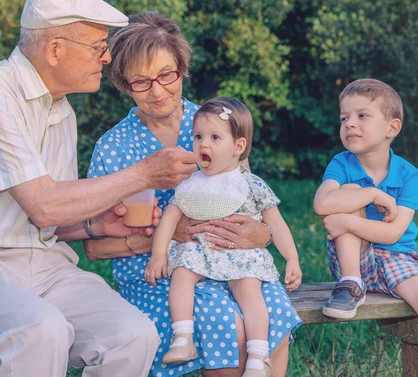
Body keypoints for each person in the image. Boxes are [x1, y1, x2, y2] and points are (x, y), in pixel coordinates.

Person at [0, 1, 200, 377]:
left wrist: (95, 227)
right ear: (54, 50)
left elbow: (52, 221)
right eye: (98, 46)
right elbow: (44, 207)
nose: (108, 56)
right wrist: (145, 174)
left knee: (134, 334)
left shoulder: (62, 110)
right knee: (41, 330)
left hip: (47, 266)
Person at [85, 11, 302, 377]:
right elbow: (94, 248)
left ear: (182, 68)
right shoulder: (113, 149)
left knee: (274, 314)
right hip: (159, 275)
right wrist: (166, 238)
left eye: (166, 75)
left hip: (232, 262)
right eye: (141, 81)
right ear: (123, 84)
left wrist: (260, 234)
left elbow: (252, 201)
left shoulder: (211, 123)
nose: (157, 91)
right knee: (229, 328)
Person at [144, 97, 302, 377]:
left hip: (240, 256)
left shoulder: (251, 184)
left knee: (250, 293)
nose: (203, 144)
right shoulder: (190, 184)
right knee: (181, 273)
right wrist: (158, 255)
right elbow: (168, 220)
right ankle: (183, 337)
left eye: (215, 137)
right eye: (198, 136)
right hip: (199, 251)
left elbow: (276, 223)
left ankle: (258, 355)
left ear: (238, 147)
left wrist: (291, 258)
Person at [313, 78, 418, 376]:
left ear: (392, 128)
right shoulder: (342, 163)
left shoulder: (410, 175)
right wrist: (374, 194)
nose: (350, 123)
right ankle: (350, 286)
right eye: (344, 117)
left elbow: (392, 233)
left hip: (399, 258)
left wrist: (346, 221)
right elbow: (322, 204)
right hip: (355, 261)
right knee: (347, 190)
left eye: (362, 116)